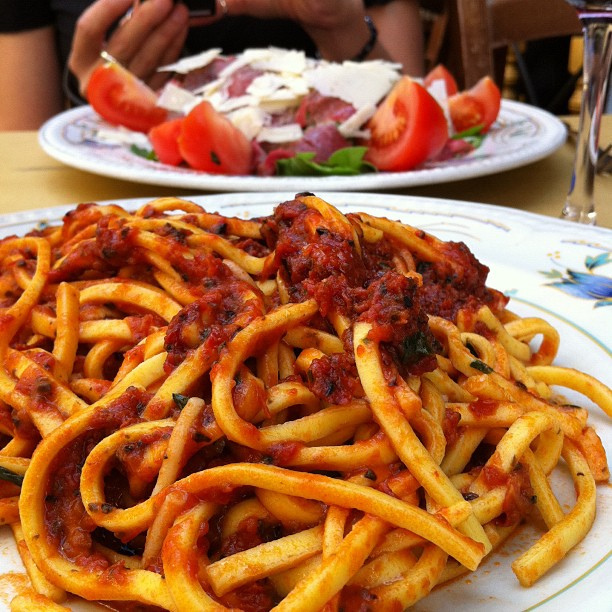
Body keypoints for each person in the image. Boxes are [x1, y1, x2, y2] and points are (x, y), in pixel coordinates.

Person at [0, 0, 425, 130]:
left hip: (336, 212)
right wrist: (103, 94)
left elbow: (414, 122)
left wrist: (341, 30)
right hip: (122, 212)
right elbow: (20, 147)